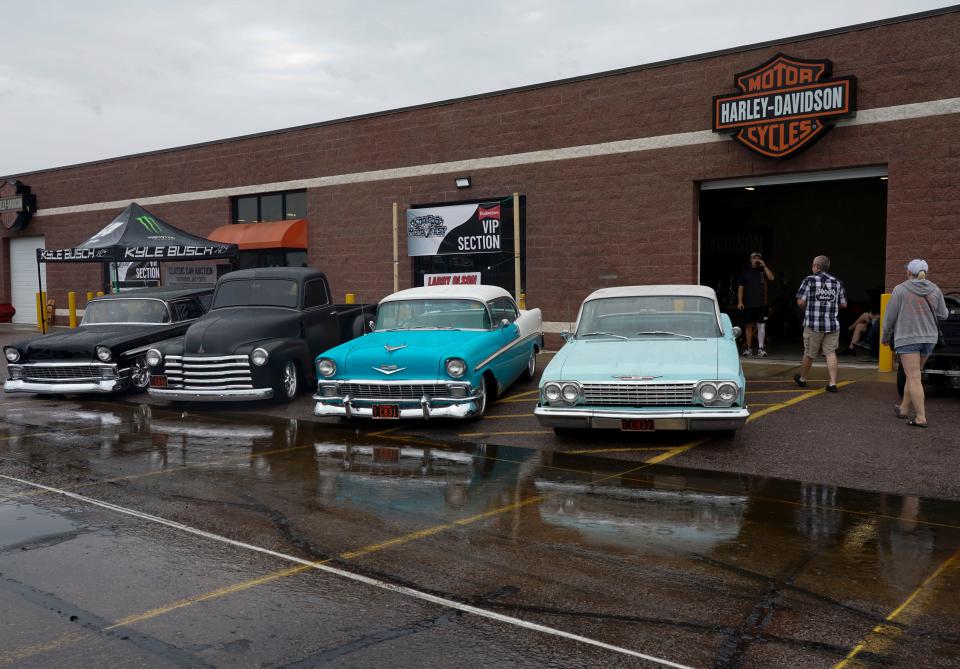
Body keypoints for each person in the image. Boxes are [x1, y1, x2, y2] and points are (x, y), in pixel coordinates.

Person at [880, 259, 949, 428]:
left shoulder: (900, 289)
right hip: (929, 339)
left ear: (908, 273)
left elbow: (890, 317)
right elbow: (944, 315)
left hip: (908, 338)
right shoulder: (935, 289)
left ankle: (920, 417)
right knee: (914, 374)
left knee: (914, 376)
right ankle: (903, 408)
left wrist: (885, 335)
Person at [794, 255, 847, 392]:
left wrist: (807, 308)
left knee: (809, 353)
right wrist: (830, 305)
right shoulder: (837, 282)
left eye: (813, 265)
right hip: (832, 325)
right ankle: (833, 383)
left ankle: (803, 379)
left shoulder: (809, 280)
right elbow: (843, 304)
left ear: (817, 266)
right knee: (831, 353)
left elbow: (800, 301)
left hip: (813, 324)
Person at [737, 251, 775, 357]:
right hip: (748, 303)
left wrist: (765, 266)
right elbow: (740, 287)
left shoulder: (763, 270)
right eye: (754, 258)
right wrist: (740, 301)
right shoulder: (745, 271)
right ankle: (749, 349)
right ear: (750, 260)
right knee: (748, 325)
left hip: (762, 304)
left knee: (761, 325)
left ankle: (761, 349)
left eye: (758, 258)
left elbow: (772, 278)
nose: (756, 260)